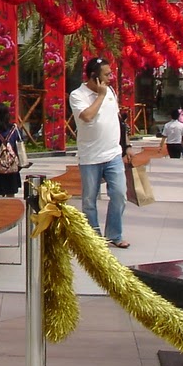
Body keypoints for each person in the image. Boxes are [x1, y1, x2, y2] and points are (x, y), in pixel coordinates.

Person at [68, 56, 128, 248]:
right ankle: (94, 238)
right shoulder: (77, 95)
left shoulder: (111, 90)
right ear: (94, 77)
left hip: (113, 154)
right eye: (107, 75)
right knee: (89, 200)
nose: (111, 78)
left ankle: (114, 235)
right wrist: (100, 96)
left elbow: (117, 119)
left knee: (119, 194)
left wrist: (126, 147)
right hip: (90, 156)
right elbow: (86, 116)